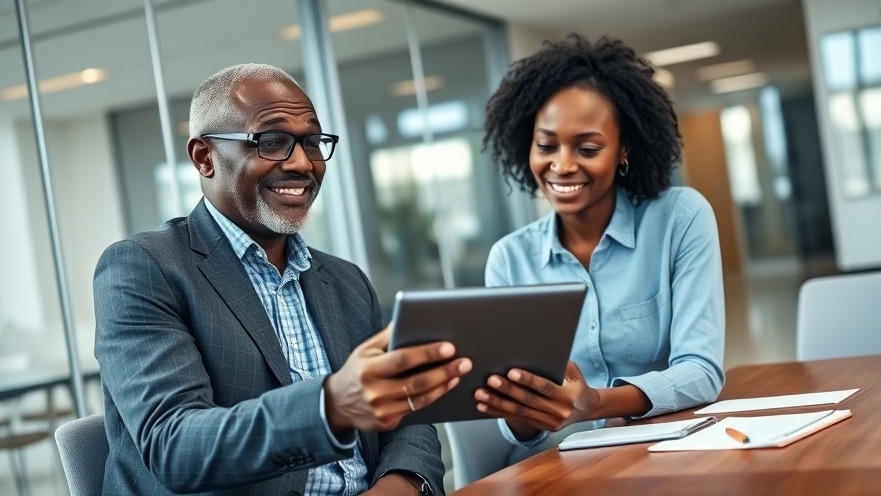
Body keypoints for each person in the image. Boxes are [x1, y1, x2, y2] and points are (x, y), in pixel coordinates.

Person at [93, 63, 472, 496]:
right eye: (271, 142)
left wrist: (400, 484)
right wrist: (330, 405)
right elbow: (175, 446)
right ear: (204, 157)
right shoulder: (143, 268)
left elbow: (405, 414)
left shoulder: (345, 280)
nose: (301, 163)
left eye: (311, 142)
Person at [475, 34, 725, 450]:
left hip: (672, 449)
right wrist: (520, 406)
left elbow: (701, 370)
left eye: (587, 147)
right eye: (546, 145)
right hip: (564, 467)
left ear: (624, 148)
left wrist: (593, 404)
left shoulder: (680, 218)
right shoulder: (509, 259)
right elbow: (518, 431)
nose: (563, 165)